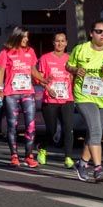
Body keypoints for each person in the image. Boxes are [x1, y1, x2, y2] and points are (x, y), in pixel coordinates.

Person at [67, 20, 103, 183]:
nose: (102, 35)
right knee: (96, 131)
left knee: (93, 133)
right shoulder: (81, 49)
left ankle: (82, 164)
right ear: (91, 33)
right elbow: (68, 66)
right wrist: (76, 70)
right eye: (99, 32)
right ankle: (98, 168)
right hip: (84, 95)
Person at [0, 26, 39, 167]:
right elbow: (1, 72)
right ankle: (14, 155)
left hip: (27, 92)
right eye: (24, 36)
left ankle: (29, 155)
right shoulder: (6, 52)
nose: (27, 39)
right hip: (11, 94)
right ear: (17, 36)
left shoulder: (30, 51)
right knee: (12, 125)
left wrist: (45, 81)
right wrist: (0, 89)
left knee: (30, 125)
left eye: (27, 37)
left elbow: (34, 71)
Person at [36, 32, 76, 169]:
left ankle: (68, 157)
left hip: (67, 99)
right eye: (57, 41)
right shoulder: (45, 58)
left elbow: (75, 78)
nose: (60, 44)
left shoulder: (71, 59)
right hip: (50, 99)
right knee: (51, 130)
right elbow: (39, 78)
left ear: (66, 43)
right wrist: (47, 87)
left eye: (62, 41)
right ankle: (42, 147)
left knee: (68, 129)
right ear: (53, 43)